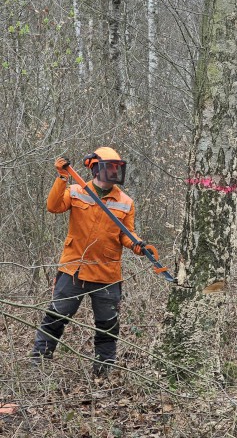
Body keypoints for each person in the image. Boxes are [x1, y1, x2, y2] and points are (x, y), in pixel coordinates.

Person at [31, 147, 146, 376]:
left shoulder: (126, 202)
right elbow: (54, 207)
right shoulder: (75, 190)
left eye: (117, 168)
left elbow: (126, 233)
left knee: (107, 325)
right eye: (109, 167)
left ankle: (104, 370)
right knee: (56, 317)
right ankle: (39, 364)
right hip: (74, 269)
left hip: (107, 273)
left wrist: (138, 245)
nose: (114, 172)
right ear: (95, 167)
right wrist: (62, 177)